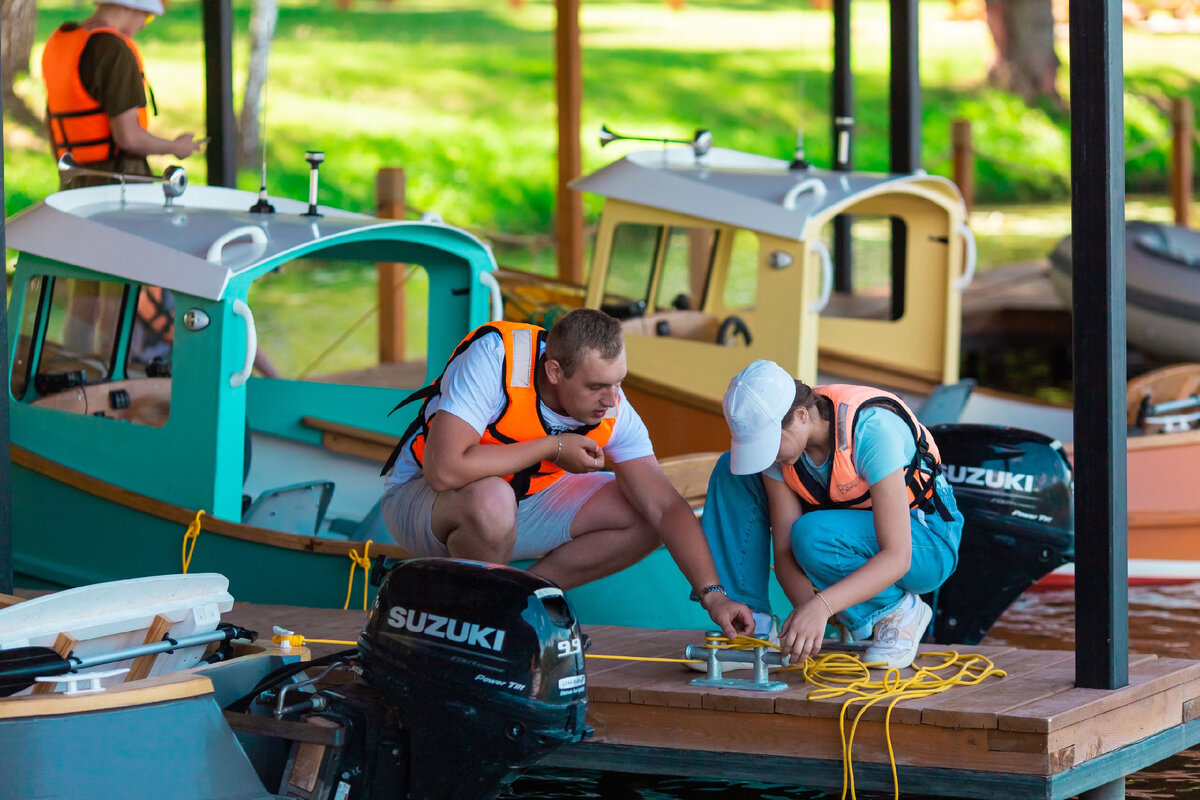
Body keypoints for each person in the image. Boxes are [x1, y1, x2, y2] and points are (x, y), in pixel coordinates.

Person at [379, 309, 755, 638]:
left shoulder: (613, 406)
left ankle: (520, 602)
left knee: (643, 509)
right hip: (427, 504)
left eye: (618, 382)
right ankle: (478, 620)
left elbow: (666, 507)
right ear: (554, 370)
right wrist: (553, 447)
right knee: (491, 499)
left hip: (522, 506)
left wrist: (714, 596)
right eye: (596, 387)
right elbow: (444, 472)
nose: (611, 401)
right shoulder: (496, 357)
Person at [701, 360, 964, 669]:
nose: (767, 455)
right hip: (841, 538)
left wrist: (822, 607)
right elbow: (785, 551)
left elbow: (898, 555)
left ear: (800, 416)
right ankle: (750, 623)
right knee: (732, 470)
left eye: (769, 444)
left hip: (926, 544)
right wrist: (805, 619)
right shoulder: (782, 450)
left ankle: (897, 611)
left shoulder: (872, 430)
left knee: (813, 534)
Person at [42, 0, 200, 188]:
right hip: (116, 182)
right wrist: (176, 147)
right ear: (128, 5)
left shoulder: (62, 41)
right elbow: (128, 137)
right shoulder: (113, 49)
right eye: (147, 16)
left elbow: (50, 120)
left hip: (73, 180)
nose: (143, 25)